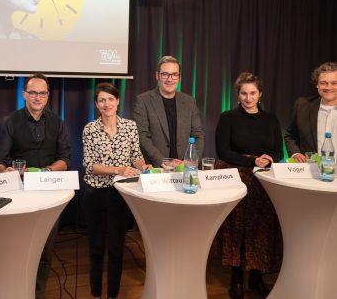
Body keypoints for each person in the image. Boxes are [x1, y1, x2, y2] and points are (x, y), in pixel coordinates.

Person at [0, 72, 70, 299]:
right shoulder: (9, 122)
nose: (37, 97)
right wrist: (6, 171)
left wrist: (46, 172)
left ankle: (37, 294)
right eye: (33, 92)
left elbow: (65, 159)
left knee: (45, 251)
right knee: (17, 250)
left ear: (47, 96)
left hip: (49, 192)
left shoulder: (57, 122)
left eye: (42, 93)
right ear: (24, 94)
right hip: (18, 194)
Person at [214, 72, 283, 299]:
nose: (248, 97)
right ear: (238, 95)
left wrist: (268, 159)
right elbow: (223, 151)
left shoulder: (271, 119)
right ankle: (236, 278)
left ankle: (256, 277)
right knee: (237, 229)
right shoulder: (228, 117)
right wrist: (251, 160)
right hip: (236, 177)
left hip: (263, 179)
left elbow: (277, 151)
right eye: (244, 93)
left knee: (261, 228)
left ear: (260, 94)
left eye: (253, 93)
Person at [83, 82, 150, 299]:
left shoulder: (130, 126)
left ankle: (112, 295)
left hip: (120, 194)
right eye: (102, 100)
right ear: (96, 104)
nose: (106, 104)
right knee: (96, 249)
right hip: (95, 193)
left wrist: (143, 166)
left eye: (110, 99)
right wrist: (118, 169)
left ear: (118, 101)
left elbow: (136, 155)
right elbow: (90, 165)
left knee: (116, 249)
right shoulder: (90, 129)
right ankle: (96, 295)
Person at [133, 55, 205, 168]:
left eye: (174, 74)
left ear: (179, 77)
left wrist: (191, 161)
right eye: (165, 74)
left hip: (185, 168)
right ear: (157, 76)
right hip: (156, 168)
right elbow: (142, 136)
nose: (170, 79)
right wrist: (163, 161)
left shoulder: (190, 102)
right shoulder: (143, 101)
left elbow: (198, 134)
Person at [285, 62, 337, 161]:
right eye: (323, 83)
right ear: (317, 84)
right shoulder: (302, 106)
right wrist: (295, 153)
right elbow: (290, 136)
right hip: (311, 172)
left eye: (334, 83)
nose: (328, 87)